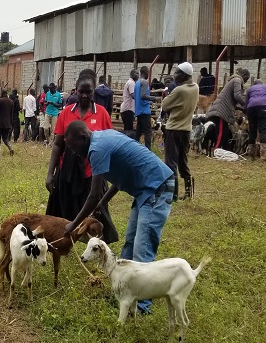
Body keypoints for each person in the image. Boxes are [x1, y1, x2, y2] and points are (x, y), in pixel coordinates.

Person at [63, 121, 176, 314]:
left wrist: (74, 224)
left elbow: (93, 194)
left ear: (83, 138)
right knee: (130, 242)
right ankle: (124, 291)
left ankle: (142, 307)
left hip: (157, 186)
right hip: (144, 191)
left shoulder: (96, 149)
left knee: (143, 247)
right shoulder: (103, 138)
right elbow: (121, 174)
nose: (74, 152)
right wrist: (102, 203)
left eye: (74, 147)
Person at [46, 69, 118, 243]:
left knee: (95, 209)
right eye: (81, 91)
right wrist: (50, 174)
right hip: (66, 171)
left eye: (89, 92)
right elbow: (58, 144)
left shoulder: (101, 113)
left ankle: (97, 244)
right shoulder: (66, 113)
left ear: (94, 91)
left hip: (91, 171)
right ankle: (60, 242)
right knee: (61, 211)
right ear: (76, 90)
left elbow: (109, 143)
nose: (85, 95)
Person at [161, 63, 199, 200]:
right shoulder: (195, 88)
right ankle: (189, 193)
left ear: (184, 75)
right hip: (186, 129)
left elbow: (165, 105)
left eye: (177, 73)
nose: (175, 75)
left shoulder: (179, 90)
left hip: (173, 129)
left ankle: (173, 194)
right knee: (183, 161)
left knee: (171, 163)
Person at [207, 68, 249, 151]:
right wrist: (246, 105)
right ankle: (217, 150)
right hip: (221, 111)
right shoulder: (237, 80)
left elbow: (231, 101)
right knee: (221, 132)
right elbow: (237, 96)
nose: (246, 81)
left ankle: (226, 151)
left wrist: (241, 109)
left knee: (225, 132)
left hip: (221, 110)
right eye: (247, 78)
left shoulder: (233, 80)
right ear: (243, 75)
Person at [134, 66, 159, 150]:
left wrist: (149, 101)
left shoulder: (137, 83)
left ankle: (134, 149)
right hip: (144, 111)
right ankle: (148, 150)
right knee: (148, 132)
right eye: (148, 73)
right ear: (145, 73)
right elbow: (143, 95)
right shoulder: (144, 82)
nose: (149, 75)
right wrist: (154, 98)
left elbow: (137, 96)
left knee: (138, 132)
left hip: (138, 110)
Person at [245, 79, 266, 159]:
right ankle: (263, 155)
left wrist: (247, 113)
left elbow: (246, 103)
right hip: (263, 106)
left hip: (251, 107)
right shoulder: (265, 87)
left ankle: (251, 154)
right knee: (263, 129)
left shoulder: (250, 89)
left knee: (252, 130)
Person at [0, 90, 14, 156]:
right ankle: (10, 148)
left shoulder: (0, 101)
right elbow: (11, 114)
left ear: (2, 94)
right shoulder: (11, 102)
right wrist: (11, 123)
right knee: (5, 138)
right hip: (7, 124)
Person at [121, 69, 138, 134]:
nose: (138, 75)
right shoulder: (131, 83)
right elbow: (133, 95)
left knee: (127, 129)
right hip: (128, 110)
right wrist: (142, 100)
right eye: (136, 73)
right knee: (129, 131)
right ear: (132, 74)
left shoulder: (131, 82)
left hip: (127, 110)